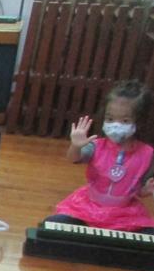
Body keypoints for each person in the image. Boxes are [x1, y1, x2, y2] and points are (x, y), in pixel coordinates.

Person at [45, 80, 154, 233]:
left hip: (124, 215)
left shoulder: (147, 154)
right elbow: (73, 158)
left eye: (125, 121)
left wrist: (147, 190)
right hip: (87, 209)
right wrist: (76, 146)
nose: (115, 125)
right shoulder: (97, 146)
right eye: (110, 119)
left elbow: (137, 191)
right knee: (54, 224)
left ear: (140, 122)